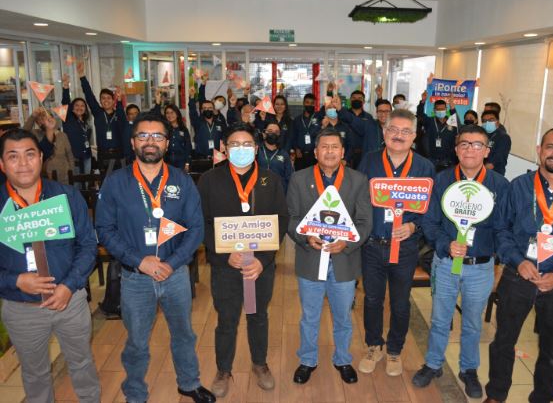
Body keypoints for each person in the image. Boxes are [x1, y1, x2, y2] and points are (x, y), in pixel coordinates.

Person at [95, 112, 215, 403]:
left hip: (176, 275)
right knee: (137, 341)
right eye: (143, 136)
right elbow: (105, 230)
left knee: (184, 334)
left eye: (157, 136)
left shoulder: (182, 181)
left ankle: (189, 383)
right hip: (135, 278)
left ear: (167, 142)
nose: (150, 141)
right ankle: (135, 393)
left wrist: (171, 264)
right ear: (133, 142)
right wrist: (140, 261)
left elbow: (196, 229)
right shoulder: (116, 183)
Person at [483, 127, 553, 403]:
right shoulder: (518, 186)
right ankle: (496, 395)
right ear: (539, 150)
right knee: (503, 341)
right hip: (518, 277)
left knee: (552, 350)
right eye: (550, 147)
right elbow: (501, 230)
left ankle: (543, 398)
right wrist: (517, 260)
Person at [0, 129, 100, 402]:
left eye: (30, 154)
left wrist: (69, 285)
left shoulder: (67, 196)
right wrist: (15, 280)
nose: (23, 163)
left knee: (82, 363)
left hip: (70, 300)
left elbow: (87, 246)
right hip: (21, 307)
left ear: (41, 158)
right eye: (13, 156)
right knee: (35, 374)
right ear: (2, 164)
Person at [413, 125, 509, 398]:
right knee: (440, 319)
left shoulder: (500, 185)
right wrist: (446, 244)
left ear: (486, 151)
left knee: (473, 324)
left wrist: (499, 260)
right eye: (464, 144)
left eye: (477, 145)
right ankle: (433, 364)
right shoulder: (441, 180)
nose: (470, 150)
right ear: (456, 149)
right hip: (445, 264)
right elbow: (429, 223)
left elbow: (504, 227)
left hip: (480, 267)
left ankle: (469, 370)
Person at [197, 123, 288, 398]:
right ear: (224, 148)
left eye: (247, 144)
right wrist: (224, 254)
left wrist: (263, 259)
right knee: (227, 319)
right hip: (225, 266)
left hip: (260, 267)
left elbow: (281, 220)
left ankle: (260, 364)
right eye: (234, 144)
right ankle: (223, 370)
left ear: (256, 149)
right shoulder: (209, 180)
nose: (241, 149)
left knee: (258, 315)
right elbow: (202, 223)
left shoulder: (270, 180)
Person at [287, 129, 373, 385]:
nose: (330, 151)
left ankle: (343, 359)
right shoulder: (299, 179)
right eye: (324, 147)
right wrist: (305, 237)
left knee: (343, 316)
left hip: (344, 260)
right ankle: (307, 360)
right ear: (315, 152)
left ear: (343, 151)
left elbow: (365, 221)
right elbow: (291, 218)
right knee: (309, 316)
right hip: (311, 257)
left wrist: (347, 242)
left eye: (335, 147)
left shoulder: (358, 180)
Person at [357, 109, 435, 377]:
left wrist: (414, 226)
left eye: (405, 131)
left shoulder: (424, 167)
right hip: (372, 245)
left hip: (406, 247)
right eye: (393, 130)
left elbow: (430, 209)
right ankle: (373, 345)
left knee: (401, 302)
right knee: (372, 299)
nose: (398, 136)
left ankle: (394, 350)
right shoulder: (369, 161)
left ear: (414, 136)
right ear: (384, 132)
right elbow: (359, 201)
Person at [77, 61, 127, 166]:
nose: (106, 100)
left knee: (119, 177)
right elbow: (89, 95)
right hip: (103, 155)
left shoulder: (118, 113)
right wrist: (82, 76)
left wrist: (119, 101)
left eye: (109, 98)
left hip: (118, 154)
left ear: (113, 101)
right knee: (105, 177)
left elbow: (122, 119)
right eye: (103, 98)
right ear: (100, 101)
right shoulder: (98, 113)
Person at [24, 107, 74, 184]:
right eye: (39, 119)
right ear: (37, 123)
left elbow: (69, 154)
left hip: (64, 174)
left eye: (45, 117)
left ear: (52, 119)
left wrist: (71, 171)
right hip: (45, 176)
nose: (43, 120)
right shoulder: (35, 134)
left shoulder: (63, 135)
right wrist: (33, 116)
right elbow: (23, 133)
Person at [61, 73, 93, 176]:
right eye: (76, 105)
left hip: (87, 157)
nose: (79, 108)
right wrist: (66, 87)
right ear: (72, 108)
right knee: (76, 183)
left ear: (85, 109)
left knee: (87, 182)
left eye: (82, 106)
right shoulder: (68, 119)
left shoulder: (85, 123)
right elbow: (65, 103)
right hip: (74, 158)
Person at [421, 98, 458, 172]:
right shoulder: (430, 121)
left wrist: (452, 109)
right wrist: (422, 102)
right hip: (431, 159)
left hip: (448, 160)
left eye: (442, 109)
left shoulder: (451, 122)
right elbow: (420, 115)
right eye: (438, 109)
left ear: (446, 109)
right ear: (434, 110)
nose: (441, 111)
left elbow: (455, 118)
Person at [257, 121, 294, 192]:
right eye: (270, 131)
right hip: (259, 191)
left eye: (276, 132)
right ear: (264, 133)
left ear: (279, 135)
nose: (273, 134)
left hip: (279, 192)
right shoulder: (257, 151)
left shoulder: (284, 154)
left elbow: (290, 177)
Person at [189, 87, 222, 159]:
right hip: (201, 158)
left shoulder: (219, 123)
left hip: (217, 158)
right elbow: (192, 112)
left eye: (210, 108)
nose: (207, 110)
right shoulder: (198, 123)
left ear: (213, 109)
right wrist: (192, 97)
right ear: (201, 111)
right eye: (205, 108)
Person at [291, 93, 322, 170]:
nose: (310, 105)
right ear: (304, 103)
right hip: (300, 155)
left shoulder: (319, 117)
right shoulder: (297, 120)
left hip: (315, 155)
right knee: (300, 176)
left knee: (315, 176)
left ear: (314, 104)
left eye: (312, 103)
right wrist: (296, 148)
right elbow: (293, 136)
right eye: (307, 102)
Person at [480, 110, 511, 176]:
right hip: (481, 171)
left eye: (490, 120)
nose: (487, 123)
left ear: (497, 122)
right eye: (484, 121)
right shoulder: (482, 136)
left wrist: (476, 172)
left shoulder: (503, 137)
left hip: (494, 174)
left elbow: (492, 164)